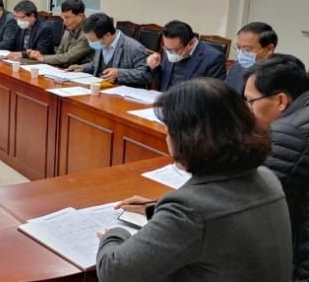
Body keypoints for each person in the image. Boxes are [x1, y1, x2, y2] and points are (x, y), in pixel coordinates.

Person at [97, 78, 292, 282]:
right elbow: (222, 219)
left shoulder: (190, 210)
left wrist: (115, 234)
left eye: (168, 130)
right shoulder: (266, 176)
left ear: (187, 138)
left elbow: (114, 273)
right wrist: (157, 210)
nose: (166, 138)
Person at [244, 54, 309, 280]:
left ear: (281, 100)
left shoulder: (289, 133)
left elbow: (252, 203)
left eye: (250, 101)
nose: (247, 109)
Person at [68, 13, 150, 87]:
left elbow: (147, 74)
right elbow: (96, 64)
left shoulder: (134, 48)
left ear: (107, 35)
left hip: (121, 92)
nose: (90, 43)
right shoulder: (102, 43)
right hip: (99, 87)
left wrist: (119, 73)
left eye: (92, 40)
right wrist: (82, 67)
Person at [147, 20, 226, 91]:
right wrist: (154, 67)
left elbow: (213, 94)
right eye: (167, 48)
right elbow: (163, 82)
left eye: (175, 50)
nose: (170, 53)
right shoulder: (170, 48)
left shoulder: (213, 58)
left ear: (191, 43)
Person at [27, 0, 93, 68]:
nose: (64, 22)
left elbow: (68, 58)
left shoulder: (90, 34)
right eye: (63, 17)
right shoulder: (69, 28)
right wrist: (39, 56)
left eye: (67, 17)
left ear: (80, 16)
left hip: (82, 72)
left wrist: (42, 58)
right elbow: (59, 54)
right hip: (65, 70)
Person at [225, 22, 277, 94]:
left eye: (247, 49)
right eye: (239, 48)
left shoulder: (279, 76)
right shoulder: (238, 66)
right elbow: (225, 92)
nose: (241, 54)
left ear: (269, 49)